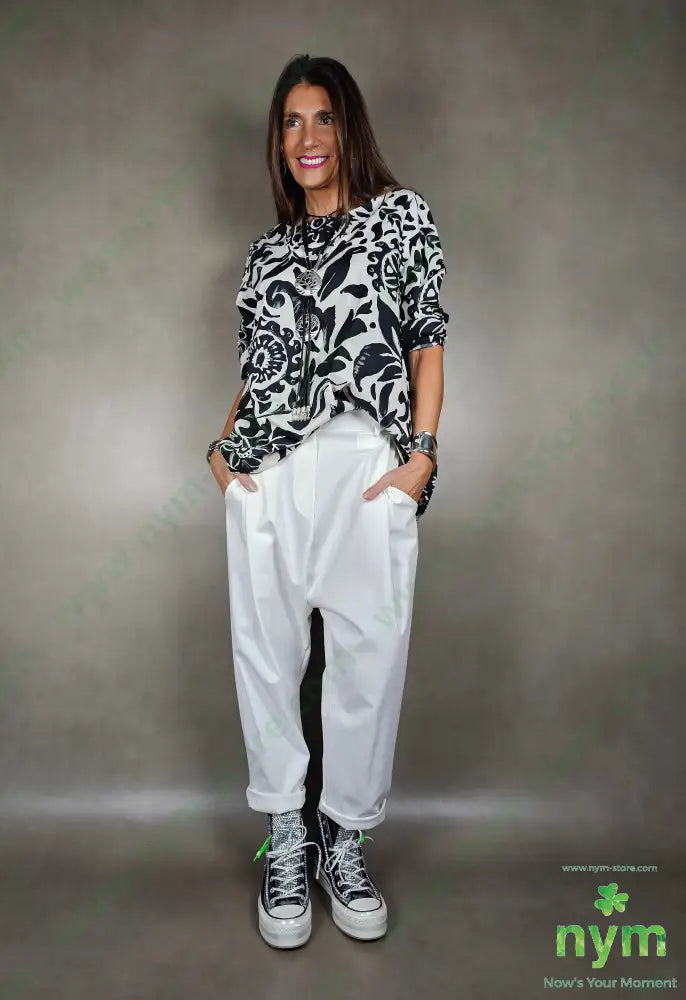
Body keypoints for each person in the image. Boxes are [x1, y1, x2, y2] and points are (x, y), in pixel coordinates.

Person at [206, 54, 450, 949]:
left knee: (367, 659)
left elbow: (426, 342)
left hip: (363, 462)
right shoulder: (263, 255)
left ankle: (344, 842)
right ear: (279, 140)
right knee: (267, 658)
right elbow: (258, 370)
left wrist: (420, 458)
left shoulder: (401, 217)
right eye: (291, 122)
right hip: (270, 472)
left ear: (350, 128)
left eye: (323, 118)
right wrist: (220, 451)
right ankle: (285, 837)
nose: (306, 138)